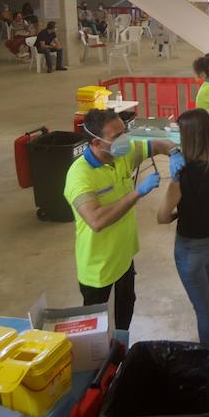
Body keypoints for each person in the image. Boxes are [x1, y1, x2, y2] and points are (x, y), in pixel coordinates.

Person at [65, 108, 176, 331]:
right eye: (116, 137)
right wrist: (137, 193)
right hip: (99, 267)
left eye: (124, 132)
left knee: (125, 313)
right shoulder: (80, 176)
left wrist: (174, 153)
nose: (125, 139)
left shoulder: (122, 154)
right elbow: (96, 221)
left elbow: (158, 144)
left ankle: (122, 356)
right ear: (96, 143)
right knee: (96, 330)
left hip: (124, 256)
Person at [157, 108, 209, 346]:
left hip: (190, 248)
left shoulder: (183, 174)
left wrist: (178, 212)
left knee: (202, 307)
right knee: (208, 297)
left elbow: (162, 216)